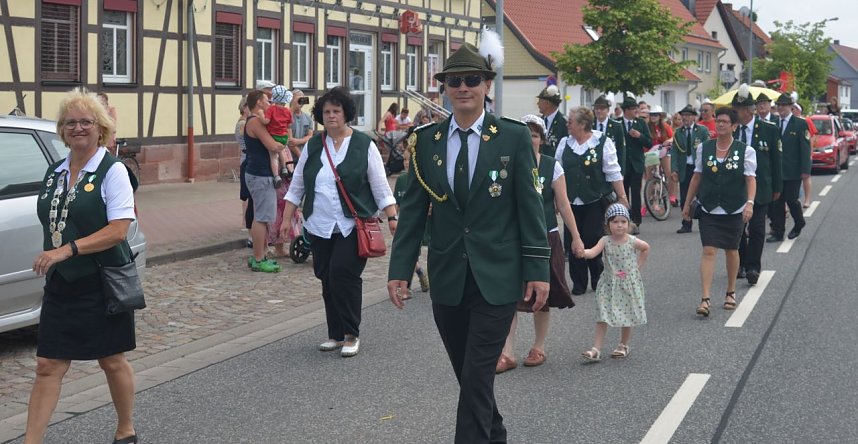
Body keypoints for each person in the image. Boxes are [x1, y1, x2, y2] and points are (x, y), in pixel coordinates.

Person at [387, 43, 550, 443]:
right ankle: (495, 436)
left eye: (472, 80)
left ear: (487, 85)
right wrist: (400, 269)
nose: (463, 87)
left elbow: (530, 208)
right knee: (469, 376)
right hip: (448, 275)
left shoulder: (512, 137)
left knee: (477, 375)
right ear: (444, 88)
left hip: (497, 275)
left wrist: (538, 269)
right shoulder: (425, 141)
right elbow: (413, 212)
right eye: (454, 81)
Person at [27, 87, 139, 444]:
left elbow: (119, 230)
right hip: (62, 283)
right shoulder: (55, 171)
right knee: (48, 365)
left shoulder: (113, 171)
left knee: (111, 360)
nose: (77, 128)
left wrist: (67, 250)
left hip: (102, 279)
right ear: (62, 130)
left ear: (100, 128)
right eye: (70, 122)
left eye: (86, 122)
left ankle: (125, 429)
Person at [281, 86, 397, 357]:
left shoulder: (364, 145)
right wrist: (286, 219)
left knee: (343, 274)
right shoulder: (313, 145)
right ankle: (334, 334)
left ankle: (351, 333)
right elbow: (297, 185)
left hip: (351, 225)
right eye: (326, 112)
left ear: (346, 114)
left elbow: (380, 186)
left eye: (336, 111)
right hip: (319, 223)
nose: (331, 116)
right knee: (326, 277)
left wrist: (392, 216)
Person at [496, 115, 584, 373]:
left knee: (541, 295)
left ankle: (539, 346)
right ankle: (507, 352)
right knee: (509, 294)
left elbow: (563, 204)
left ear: (542, 140)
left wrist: (576, 237)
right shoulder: (506, 164)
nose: (530, 139)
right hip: (514, 237)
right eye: (526, 134)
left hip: (546, 236)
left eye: (534, 135)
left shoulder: (551, 166)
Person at [682, 107, 757, 317]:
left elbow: (750, 179)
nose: (721, 124)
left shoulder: (746, 151)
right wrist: (687, 203)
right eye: (718, 121)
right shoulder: (704, 148)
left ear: (734, 126)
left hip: (734, 208)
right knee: (708, 250)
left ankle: (730, 292)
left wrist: (750, 203)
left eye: (725, 122)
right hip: (709, 208)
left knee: (732, 250)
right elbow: (697, 176)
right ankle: (705, 298)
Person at [557, 107, 629, 295]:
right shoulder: (565, 143)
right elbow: (558, 173)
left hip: (595, 199)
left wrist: (622, 197)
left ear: (582, 124)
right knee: (573, 240)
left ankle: (597, 277)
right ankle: (578, 282)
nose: (567, 125)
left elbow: (613, 172)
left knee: (591, 238)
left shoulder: (602, 142)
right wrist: (556, 198)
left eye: (570, 121)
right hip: (571, 201)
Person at [581, 204, 649, 361]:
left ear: (628, 223)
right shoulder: (605, 241)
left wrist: (636, 268)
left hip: (627, 284)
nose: (619, 225)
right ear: (608, 224)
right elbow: (593, 252)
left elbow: (646, 248)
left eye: (623, 221)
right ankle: (596, 349)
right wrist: (583, 252)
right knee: (602, 315)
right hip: (608, 284)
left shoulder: (632, 241)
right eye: (615, 222)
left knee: (627, 314)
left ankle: (623, 344)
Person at [733, 86, 781, 285]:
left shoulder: (769, 129)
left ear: (747, 110)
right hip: (736, 189)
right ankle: (741, 263)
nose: (734, 112)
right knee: (737, 229)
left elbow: (776, 161)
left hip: (761, 188)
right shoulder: (732, 130)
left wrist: (777, 187)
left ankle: (753, 267)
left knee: (757, 228)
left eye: (737, 109)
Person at [244, 90, 287, 273]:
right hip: (261, 175)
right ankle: (259, 258)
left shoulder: (254, 120)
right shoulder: (255, 121)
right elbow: (273, 145)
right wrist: (284, 141)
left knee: (260, 216)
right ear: (259, 103)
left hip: (258, 173)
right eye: (267, 101)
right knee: (262, 218)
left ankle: (260, 255)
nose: (270, 103)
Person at [769, 93, 810, 242]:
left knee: (792, 200)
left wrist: (805, 170)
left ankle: (799, 223)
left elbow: (805, 148)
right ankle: (778, 233)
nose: (781, 108)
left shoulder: (799, 123)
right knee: (777, 202)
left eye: (784, 105)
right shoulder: (773, 123)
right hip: (776, 170)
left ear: (791, 107)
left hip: (793, 170)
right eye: (779, 105)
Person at [392, 148, 430, 297]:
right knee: (409, 253)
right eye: (405, 160)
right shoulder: (401, 180)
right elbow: (397, 202)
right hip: (407, 222)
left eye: (409, 160)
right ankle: (408, 283)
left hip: (425, 221)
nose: (407, 163)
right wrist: (394, 218)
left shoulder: (424, 177)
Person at [672, 105, 710, 234]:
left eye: (688, 115)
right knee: (684, 197)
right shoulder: (678, 132)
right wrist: (674, 169)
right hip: (685, 168)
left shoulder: (702, 130)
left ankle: (705, 222)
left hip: (698, 168)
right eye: (683, 115)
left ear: (694, 117)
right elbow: (675, 152)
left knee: (702, 195)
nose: (685, 118)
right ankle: (686, 223)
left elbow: (707, 148)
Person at [620, 94, 652, 232]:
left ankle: (636, 221)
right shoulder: (617, 123)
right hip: (622, 164)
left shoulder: (641, 123)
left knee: (636, 193)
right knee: (623, 193)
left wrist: (640, 136)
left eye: (636, 108)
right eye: (633, 109)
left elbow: (649, 142)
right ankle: (625, 220)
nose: (636, 111)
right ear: (626, 110)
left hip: (636, 163)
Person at [256, 85, 294, 189]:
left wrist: (260, 114)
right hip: (283, 137)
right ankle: (284, 168)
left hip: (273, 136)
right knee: (281, 151)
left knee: (273, 157)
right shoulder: (288, 111)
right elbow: (289, 125)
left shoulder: (271, 109)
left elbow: (266, 121)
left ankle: (276, 176)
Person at [645, 105, 675, 205]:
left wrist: (668, 141)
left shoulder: (665, 126)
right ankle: (648, 199)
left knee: (668, 172)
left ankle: (672, 195)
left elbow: (673, 137)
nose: (653, 117)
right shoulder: (647, 126)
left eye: (656, 115)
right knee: (649, 176)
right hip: (650, 152)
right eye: (652, 115)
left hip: (664, 151)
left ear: (660, 116)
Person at [592, 95, 626, 177]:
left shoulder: (616, 126)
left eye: (602, 109)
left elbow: (621, 150)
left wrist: (621, 173)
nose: (599, 111)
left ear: (608, 110)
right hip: (593, 166)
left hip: (610, 165)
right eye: (596, 108)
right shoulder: (590, 125)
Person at [236, 97, 253, 237]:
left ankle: (245, 221)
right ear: (244, 108)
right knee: (246, 194)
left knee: (246, 193)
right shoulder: (243, 123)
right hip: (246, 158)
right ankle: (245, 222)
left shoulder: (243, 121)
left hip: (245, 157)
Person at [793, 102, 814, 207]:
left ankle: (807, 200)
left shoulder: (806, 121)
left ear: (798, 110)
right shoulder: (789, 122)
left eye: (793, 109)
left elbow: (811, 136)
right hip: (793, 155)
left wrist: (810, 152)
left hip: (804, 154)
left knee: (806, 176)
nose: (792, 110)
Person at [536, 84, 567, 155]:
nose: (538, 104)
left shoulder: (564, 123)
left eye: (540, 101)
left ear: (547, 103)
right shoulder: (539, 121)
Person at [288, 89, 314, 158]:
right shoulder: (285, 115)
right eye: (298, 99)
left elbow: (310, 136)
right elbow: (289, 140)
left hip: (304, 154)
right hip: (289, 156)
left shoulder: (308, 118)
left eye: (302, 98)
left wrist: (298, 141)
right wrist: (293, 107)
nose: (301, 101)